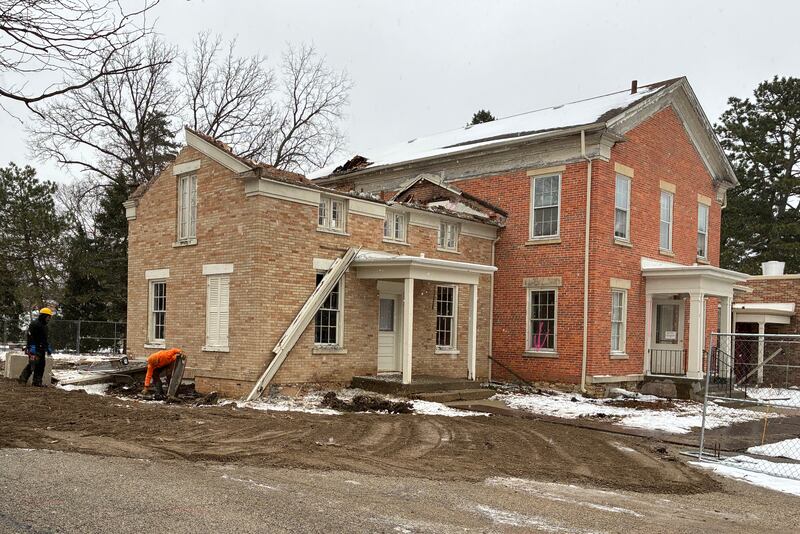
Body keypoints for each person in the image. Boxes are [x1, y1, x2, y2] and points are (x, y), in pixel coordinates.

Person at [19, 308, 53, 387]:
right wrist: (31, 346)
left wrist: (47, 347)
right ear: (43, 316)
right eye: (48, 317)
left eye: (49, 317)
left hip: (41, 349)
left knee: (41, 366)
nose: (49, 319)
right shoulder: (34, 324)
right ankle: (22, 380)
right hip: (34, 348)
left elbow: (44, 339)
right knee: (32, 364)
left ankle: (37, 382)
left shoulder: (45, 326)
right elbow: (30, 336)